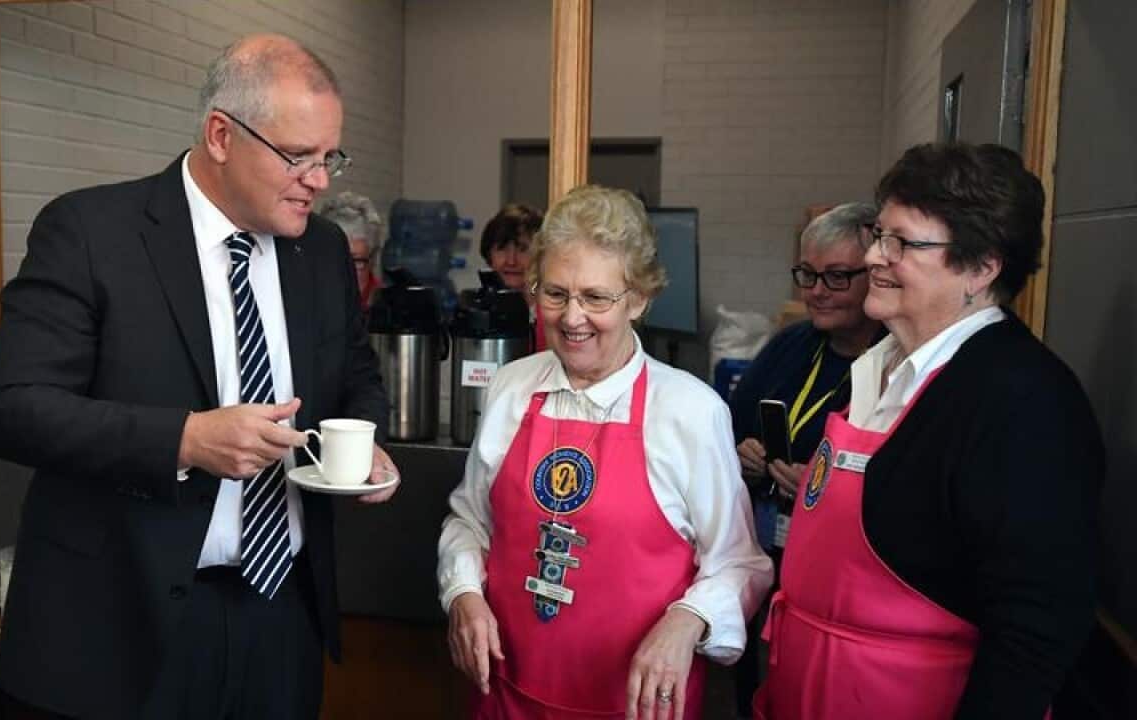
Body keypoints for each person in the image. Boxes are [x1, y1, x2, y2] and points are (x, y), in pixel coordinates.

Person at [0, 34, 399, 720]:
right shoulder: (91, 232)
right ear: (222, 136)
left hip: (281, 613)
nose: (320, 181)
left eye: (330, 158)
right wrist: (185, 439)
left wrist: (366, 441)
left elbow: (356, 375)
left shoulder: (321, 252)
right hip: (119, 628)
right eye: (298, 156)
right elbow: (9, 410)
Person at [754, 142, 1103, 719]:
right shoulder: (873, 368)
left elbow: (1036, 625)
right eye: (878, 235)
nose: (874, 257)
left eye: (902, 243)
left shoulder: (1023, 399)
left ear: (981, 267)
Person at [439, 185, 772, 720]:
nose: (572, 318)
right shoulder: (511, 387)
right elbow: (470, 521)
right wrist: (463, 592)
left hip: (634, 706)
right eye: (555, 293)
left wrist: (687, 620)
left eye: (596, 298)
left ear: (638, 299)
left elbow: (738, 563)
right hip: (507, 695)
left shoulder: (689, 410)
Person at [727, 202, 882, 714]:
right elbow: (732, 424)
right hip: (765, 537)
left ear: (876, 274)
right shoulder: (792, 345)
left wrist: (824, 485)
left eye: (836, 277)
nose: (816, 290)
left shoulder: (895, 365)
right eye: (807, 274)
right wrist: (743, 451)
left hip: (840, 570)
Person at [480, 203, 547, 350]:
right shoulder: (479, 310)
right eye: (502, 249)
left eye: (523, 249)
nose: (511, 261)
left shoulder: (553, 312)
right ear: (489, 255)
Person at [318, 190, 383, 311]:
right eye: (336, 259)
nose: (345, 271)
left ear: (372, 261)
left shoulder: (386, 306)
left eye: (356, 261)